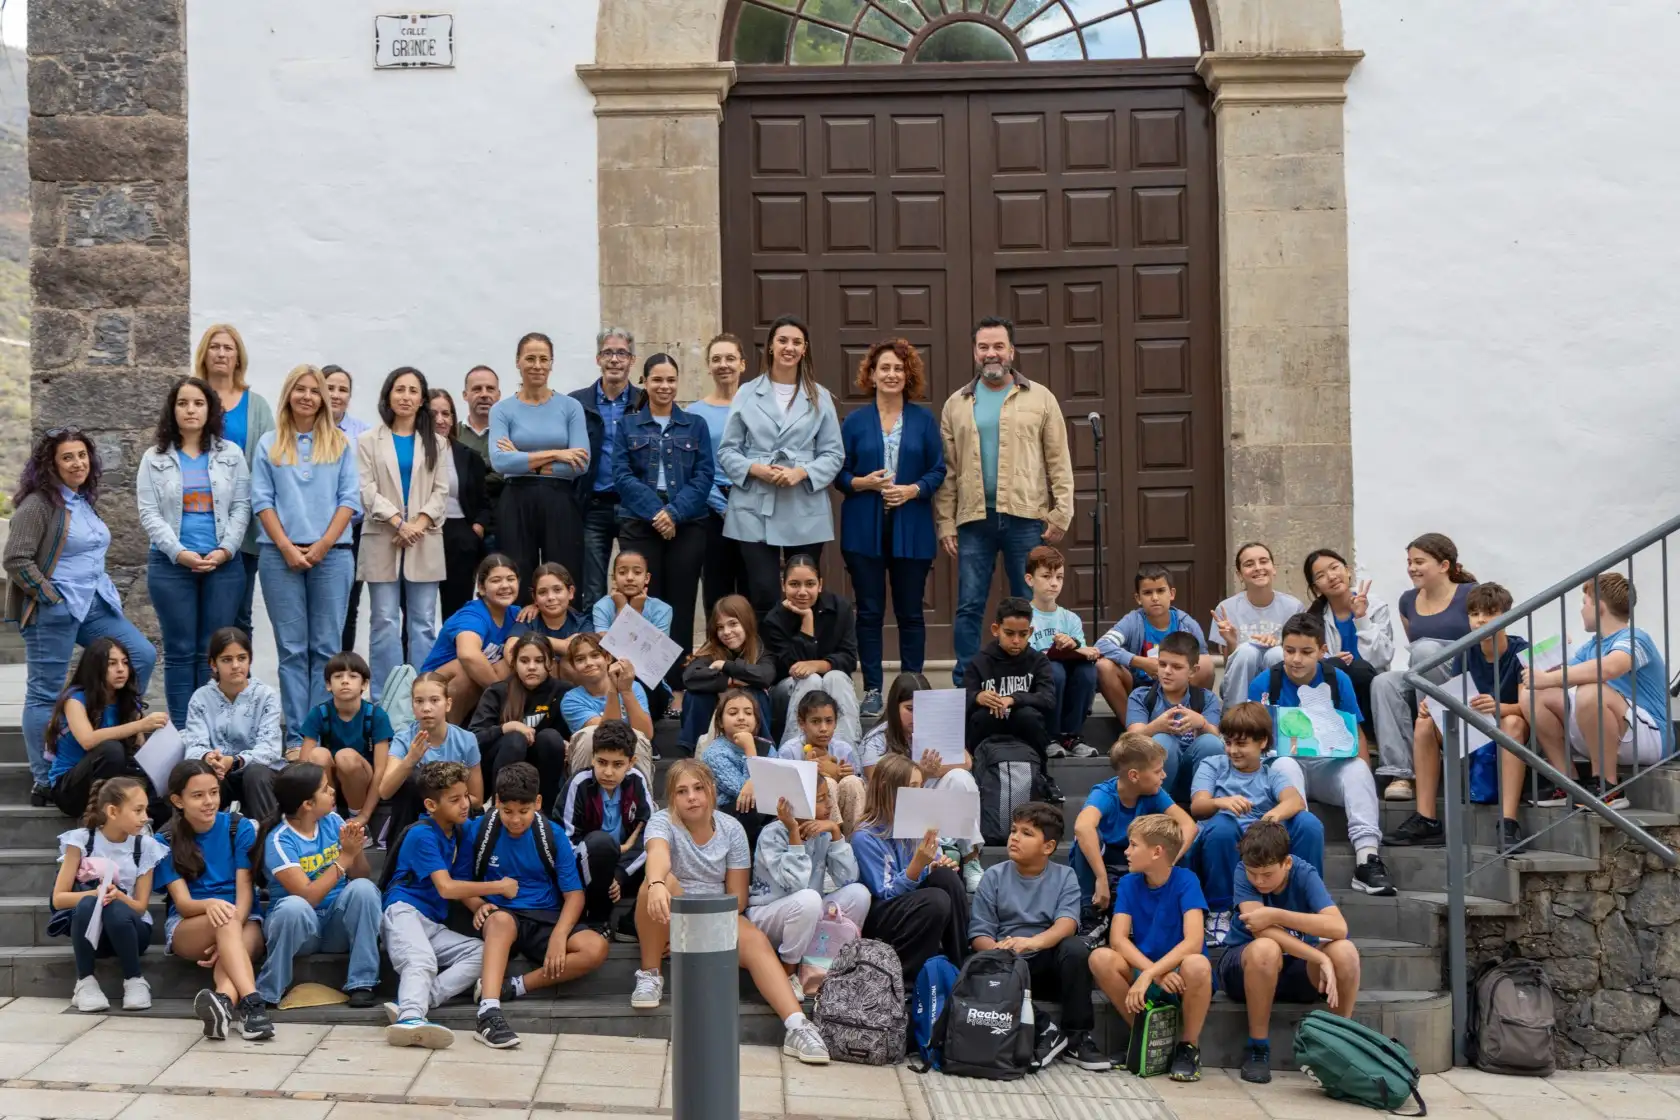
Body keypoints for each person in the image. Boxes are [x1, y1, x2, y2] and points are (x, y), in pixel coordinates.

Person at [631, 760, 833, 1064]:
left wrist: (698, 923)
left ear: (711, 790)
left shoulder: (731, 829)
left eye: (699, 788)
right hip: (670, 913)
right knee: (654, 884)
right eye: (682, 791)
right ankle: (650, 973)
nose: (692, 797)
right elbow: (658, 853)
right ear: (672, 798)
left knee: (754, 941)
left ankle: (796, 1026)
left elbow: (737, 900)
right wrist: (659, 882)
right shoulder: (662, 822)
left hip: (716, 914)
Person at [8, 427, 158, 805]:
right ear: (51, 464)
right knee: (45, 691)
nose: (77, 463)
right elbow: (16, 558)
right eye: (67, 457)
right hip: (54, 609)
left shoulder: (81, 500)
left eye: (81, 455)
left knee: (140, 655)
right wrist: (49, 596)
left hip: (93, 604)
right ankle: (44, 779)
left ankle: (111, 734)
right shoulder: (39, 504)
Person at [936, 317, 1074, 687]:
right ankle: (966, 681)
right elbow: (948, 470)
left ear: (1011, 351)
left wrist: (1061, 512)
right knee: (969, 605)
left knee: (1027, 604)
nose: (991, 353)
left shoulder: (1040, 398)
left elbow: (1058, 459)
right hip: (973, 519)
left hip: (1025, 517)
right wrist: (945, 521)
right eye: (984, 347)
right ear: (974, 352)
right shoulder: (956, 404)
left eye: (998, 346)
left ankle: (1029, 678)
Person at [252, 364, 362, 748]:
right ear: (288, 394)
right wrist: (286, 546)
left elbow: (349, 499)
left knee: (327, 649)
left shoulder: (340, 444)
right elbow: (262, 500)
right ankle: (298, 736)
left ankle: (320, 733)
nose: (308, 397)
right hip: (278, 556)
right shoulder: (269, 444)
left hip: (331, 556)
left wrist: (321, 546)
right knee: (292, 650)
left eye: (314, 390)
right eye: (300, 389)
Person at [837, 338, 946, 719]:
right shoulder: (853, 422)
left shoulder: (923, 420)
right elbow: (839, 471)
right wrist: (862, 483)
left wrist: (914, 490)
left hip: (911, 528)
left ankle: (913, 684)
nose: (891, 374)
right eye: (884, 368)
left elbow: (938, 469)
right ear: (871, 374)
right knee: (868, 612)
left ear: (908, 374)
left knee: (910, 612)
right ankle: (871, 689)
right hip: (862, 528)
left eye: (899, 368)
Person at [464, 762, 610, 1044]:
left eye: (523, 811)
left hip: (545, 916)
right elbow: (461, 883)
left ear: (538, 803)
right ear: (496, 803)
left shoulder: (551, 834)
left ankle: (515, 987)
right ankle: (488, 1012)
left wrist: (559, 935)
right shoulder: (480, 831)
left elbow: (574, 894)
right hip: (502, 916)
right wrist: (475, 904)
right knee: (499, 921)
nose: (515, 819)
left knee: (596, 948)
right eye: (507, 811)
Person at [1250, 613, 1393, 896]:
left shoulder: (1337, 680)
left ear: (1322, 651)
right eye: (1289, 651)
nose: (1296, 659)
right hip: (1284, 774)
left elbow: (1356, 732)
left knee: (1359, 769)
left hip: (1329, 767)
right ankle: (1295, 850)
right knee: (1286, 764)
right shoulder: (1264, 683)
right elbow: (1253, 739)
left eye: (1306, 652)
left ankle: (1367, 859)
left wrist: (1362, 780)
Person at [137, 376, 251, 728]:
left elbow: (242, 507)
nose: (191, 410)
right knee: (179, 651)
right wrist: (179, 552)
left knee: (211, 651)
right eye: (183, 403)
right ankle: (185, 732)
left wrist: (225, 549)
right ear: (173, 410)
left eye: (198, 403)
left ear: (210, 409)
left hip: (223, 565)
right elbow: (149, 513)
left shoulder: (230, 454)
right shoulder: (154, 458)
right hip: (171, 566)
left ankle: (212, 728)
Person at [717, 315, 844, 617]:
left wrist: (801, 472)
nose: (789, 347)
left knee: (803, 591)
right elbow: (727, 451)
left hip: (803, 503)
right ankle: (765, 660)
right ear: (771, 347)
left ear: (805, 349)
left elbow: (834, 454)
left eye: (796, 342)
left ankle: (799, 656)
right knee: (762, 590)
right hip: (754, 504)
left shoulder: (820, 396)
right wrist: (756, 470)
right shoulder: (746, 393)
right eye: (782, 340)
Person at [1219, 819, 1362, 1085]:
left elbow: (1338, 927)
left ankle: (1341, 1044)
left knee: (1345, 951)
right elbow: (1260, 930)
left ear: (1286, 863)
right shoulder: (1242, 870)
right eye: (1254, 874)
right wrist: (1319, 956)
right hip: (1244, 966)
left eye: (1268, 874)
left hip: (1297, 966)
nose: (1259, 882)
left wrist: (1276, 914)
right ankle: (1258, 1047)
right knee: (1266, 948)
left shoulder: (1304, 872)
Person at [1516, 573, 1671, 818]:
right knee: (1533, 693)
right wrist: (1551, 661)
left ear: (1598, 607)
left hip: (1651, 738)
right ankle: (1568, 783)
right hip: (1610, 731)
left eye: (1584, 603)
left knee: (1591, 689)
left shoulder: (1635, 638)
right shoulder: (1592, 645)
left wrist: (1552, 677)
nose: (1581, 610)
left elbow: (1610, 667)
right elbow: (1561, 680)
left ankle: (1608, 787)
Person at [1387, 583, 1530, 849]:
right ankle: (1426, 818)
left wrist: (1499, 707)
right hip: (1477, 725)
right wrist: (1433, 705)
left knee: (1511, 722)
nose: (1481, 620)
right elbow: (1457, 697)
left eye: (1490, 613)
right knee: (1424, 723)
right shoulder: (1465, 651)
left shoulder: (1520, 650)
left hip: (1511, 727)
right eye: (1474, 613)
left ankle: (1508, 822)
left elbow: (1529, 708)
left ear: (1507, 615)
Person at [970, 802, 1107, 1071]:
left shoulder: (1065, 875)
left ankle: (1078, 1039)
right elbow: (979, 933)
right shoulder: (993, 877)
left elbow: (1067, 923)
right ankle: (1046, 1027)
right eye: (1013, 830)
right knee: (975, 965)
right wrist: (1001, 951)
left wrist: (1032, 943)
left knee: (1075, 949)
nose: (1015, 838)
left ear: (1048, 847)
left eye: (1027, 833)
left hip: (1045, 962)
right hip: (1007, 965)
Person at [377, 759, 500, 1048]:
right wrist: (498, 887)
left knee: (482, 952)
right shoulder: (422, 834)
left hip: (431, 922)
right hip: (403, 911)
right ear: (432, 805)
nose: (464, 804)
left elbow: (460, 881)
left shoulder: (460, 833)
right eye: (454, 800)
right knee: (421, 960)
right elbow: (446, 888)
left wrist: (477, 905)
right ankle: (410, 1021)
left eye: (466, 796)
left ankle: (416, 1002)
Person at [614, 352, 714, 701]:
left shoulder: (695, 425)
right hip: (640, 524)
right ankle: (644, 686)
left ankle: (678, 685)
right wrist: (659, 513)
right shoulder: (627, 425)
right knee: (642, 603)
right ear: (644, 381)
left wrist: (674, 513)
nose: (664, 386)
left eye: (671, 380)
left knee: (681, 605)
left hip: (687, 524)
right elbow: (621, 475)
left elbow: (704, 476)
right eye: (657, 379)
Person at [1089, 813, 1212, 1083]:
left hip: (1180, 977)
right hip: (1149, 971)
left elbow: (1194, 941)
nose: (1126, 851)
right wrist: (1152, 973)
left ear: (1157, 852)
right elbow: (1118, 939)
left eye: (1133, 845)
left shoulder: (1186, 880)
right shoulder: (1129, 883)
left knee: (1198, 963)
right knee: (1100, 957)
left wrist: (1151, 973)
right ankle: (1145, 1038)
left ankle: (1188, 1047)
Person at [156, 759, 272, 1041]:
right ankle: (254, 1006)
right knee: (225, 918)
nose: (209, 801)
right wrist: (211, 907)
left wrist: (227, 937)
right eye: (197, 796)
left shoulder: (238, 827)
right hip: (191, 924)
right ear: (178, 800)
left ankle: (222, 1004)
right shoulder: (164, 839)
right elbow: (182, 903)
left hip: (244, 918)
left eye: (214, 792)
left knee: (230, 922)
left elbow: (245, 892)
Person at [1189, 703, 1323, 945]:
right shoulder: (1213, 765)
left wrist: (1268, 819)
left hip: (1261, 840)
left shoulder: (1270, 774)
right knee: (1222, 827)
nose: (1232, 750)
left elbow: (1294, 801)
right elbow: (1198, 806)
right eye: (1228, 743)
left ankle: (1307, 908)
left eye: (1241, 744)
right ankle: (1220, 911)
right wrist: (1222, 802)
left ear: (1262, 742)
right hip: (1222, 841)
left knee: (1308, 823)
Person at [254, 762, 381, 1007]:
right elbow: (308, 896)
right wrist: (344, 857)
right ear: (307, 805)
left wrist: (355, 850)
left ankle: (362, 981)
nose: (333, 791)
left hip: (336, 924)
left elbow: (362, 874)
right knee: (293, 906)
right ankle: (269, 991)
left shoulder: (333, 821)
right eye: (325, 789)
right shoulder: (279, 840)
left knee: (364, 890)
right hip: (301, 931)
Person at [358, 366, 450, 701]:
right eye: (400, 389)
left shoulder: (437, 443)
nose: (406, 397)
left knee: (424, 622)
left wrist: (417, 525)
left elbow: (441, 492)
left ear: (422, 399)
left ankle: (422, 698)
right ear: (388, 395)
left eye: (413, 391)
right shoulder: (368, 441)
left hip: (424, 538)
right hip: (384, 536)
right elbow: (366, 489)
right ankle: (385, 699)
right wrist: (399, 522)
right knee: (383, 620)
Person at [1372, 534, 1478, 800]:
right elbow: (1413, 646)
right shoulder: (1407, 601)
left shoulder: (1470, 594)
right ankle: (1401, 773)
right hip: (1424, 672)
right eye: (1409, 562)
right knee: (1384, 682)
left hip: (1465, 674)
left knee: (1425, 650)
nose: (1411, 568)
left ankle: (1430, 739)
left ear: (1444, 565)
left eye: (1419, 561)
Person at [851, 754, 971, 985]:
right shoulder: (864, 836)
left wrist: (935, 865)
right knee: (935, 900)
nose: (920, 794)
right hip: (882, 914)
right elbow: (885, 892)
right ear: (890, 790)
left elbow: (929, 869)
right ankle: (904, 977)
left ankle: (960, 965)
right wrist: (917, 866)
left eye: (921, 786)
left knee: (946, 878)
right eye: (914, 787)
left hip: (911, 903)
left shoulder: (915, 822)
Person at [747, 776, 870, 1001]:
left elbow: (848, 878)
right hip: (769, 916)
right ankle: (788, 973)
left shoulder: (822, 831)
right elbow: (795, 885)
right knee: (809, 899)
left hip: (807, 913)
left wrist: (835, 833)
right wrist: (794, 832)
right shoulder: (772, 834)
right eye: (821, 799)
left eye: (827, 798)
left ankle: (826, 965)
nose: (830, 805)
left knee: (859, 894)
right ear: (796, 805)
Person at [51, 777, 166, 1012]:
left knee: (114, 908)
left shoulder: (144, 846)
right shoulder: (82, 840)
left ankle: (134, 979)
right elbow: (59, 898)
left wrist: (118, 896)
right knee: (87, 904)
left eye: (146, 809)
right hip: (92, 933)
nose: (145, 817)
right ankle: (85, 982)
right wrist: (96, 893)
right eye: (138, 810)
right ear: (113, 811)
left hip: (132, 931)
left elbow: (141, 907)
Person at [489, 332, 590, 596]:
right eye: (530, 358)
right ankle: (519, 634)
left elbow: (580, 463)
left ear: (551, 363)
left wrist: (522, 458)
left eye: (543, 359)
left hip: (560, 499)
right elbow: (500, 461)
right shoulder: (502, 410)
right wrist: (557, 453)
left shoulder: (571, 407)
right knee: (516, 573)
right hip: (516, 498)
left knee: (563, 573)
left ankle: (566, 634)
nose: (537, 365)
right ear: (518, 362)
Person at [193, 325, 275, 637]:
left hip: (243, 528)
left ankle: (238, 685)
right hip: (195, 522)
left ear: (238, 357)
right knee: (198, 616)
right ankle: (203, 686)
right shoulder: (190, 398)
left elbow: (268, 464)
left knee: (238, 617)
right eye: (215, 347)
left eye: (229, 348)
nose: (222, 353)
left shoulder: (257, 406)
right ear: (205, 353)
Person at [1070, 733, 1197, 921]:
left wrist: (1169, 861)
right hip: (1107, 856)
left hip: (1140, 853)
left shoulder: (1154, 793)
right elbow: (1082, 827)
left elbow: (1188, 825)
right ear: (1134, 776)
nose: (1164, 775)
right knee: (1086, 839)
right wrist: (1101, 878)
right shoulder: (1104, 793)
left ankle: (1176, 907)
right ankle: (1089, 910)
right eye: (1157, 771)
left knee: (1176, 841)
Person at [44, 638, 167, 824]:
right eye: (112, 663)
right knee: (111, 750)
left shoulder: (126, 700)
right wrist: (141, 725)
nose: (121, 669)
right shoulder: (75, 700)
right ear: (95, 668)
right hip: (71, 788)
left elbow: (138, 749)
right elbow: (88, 740)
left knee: (157, 785)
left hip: (115, 778)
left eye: (125, 663)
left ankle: (149, 835)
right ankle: (94, 821)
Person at [571, 327, 646, 615]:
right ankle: (594, 655)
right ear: (598, 359)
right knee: (592, 588)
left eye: (622, 353)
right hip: (593, 506)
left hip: (633, 507)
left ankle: (631, 654)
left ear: (632, 359)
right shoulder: (577, 403)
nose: (615, 359)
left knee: (634, 585)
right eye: (608, 353)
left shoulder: (645, 402)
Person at [559, 720, 655, 935]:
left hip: (626, 867)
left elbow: (648, 834)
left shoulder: (637, 782)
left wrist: (620, 874)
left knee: (665, 852)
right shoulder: (579, 783)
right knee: (602, 844)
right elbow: (566, 837)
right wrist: (604, 871)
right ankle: (597, 919)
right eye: (601, 762)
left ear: (631, 762)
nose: (608, 772)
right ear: (592, 757)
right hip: (588, 863)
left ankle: (632, 921)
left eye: (617, 764)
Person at [182, 628, 285, 821]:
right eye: (226, 659)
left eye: (242, 658)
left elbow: (270, 750)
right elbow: (194, 747)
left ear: (250, 660)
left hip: (260, 773)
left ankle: (268, 840)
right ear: (213, 664)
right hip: (219, 773)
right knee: (203, 777)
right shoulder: (201, 698)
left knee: (256, 775)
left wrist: (236, 761)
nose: (236, 665)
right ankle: (195, 841)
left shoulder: (266, 695)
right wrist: (209, 757)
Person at [762, 554, 860, 748]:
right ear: (784, 585)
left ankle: (848, 755)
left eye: (809, 584)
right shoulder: (774, 619)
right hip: (786, 691)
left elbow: (849, 658)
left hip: (831, 685)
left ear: (820, 585)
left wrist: (817, 665)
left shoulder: (840, 608)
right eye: (794, 584)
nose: (802, 592)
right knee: (810, 679)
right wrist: (807, 622)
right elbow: (789, 666)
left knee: (836, 678)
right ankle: (795, 753)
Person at [1303, 547, 1394, 748]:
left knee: (1359, 670)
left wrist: (1361, 618)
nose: (1331, 577)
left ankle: (1370, 738)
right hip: (1332, 690)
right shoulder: (1314, 619)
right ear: (1316, 587)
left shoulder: (1375, 606)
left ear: (1348, 570)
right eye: (1321, 575)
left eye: (1335, 568)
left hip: (1371, 689)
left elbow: (1381, 659)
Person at [380, 672, 486, 840]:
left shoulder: (466, 740)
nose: (426, 708)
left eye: (435, 700)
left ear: (448, 704)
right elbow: (385, 792)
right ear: (412, 706)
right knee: (410, 780)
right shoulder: (404, 739)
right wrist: (410, 760)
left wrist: (443, 806)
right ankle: (398, 858)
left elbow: (477, 799)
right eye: (419, 701)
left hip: (454, 812)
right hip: (417, 814)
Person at [1096, 565, 1213, 716]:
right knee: (1104, 666)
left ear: (1171, 594)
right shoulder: (1133, 621)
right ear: (1138, 598)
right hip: (1139, 688)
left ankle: (1183, 719)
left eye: (1160, 591)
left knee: (1205, 664)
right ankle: (1135, 728)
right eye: (1147, 593)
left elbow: (1202, 662)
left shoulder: (1186, 624)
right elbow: (1102, 645)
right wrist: (1140, 662)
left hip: (1177, 688)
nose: (1155, 598)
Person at [469, 633, 568, 809]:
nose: (531, 667)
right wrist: (506, 728)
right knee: (515, 738)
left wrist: (568, 742)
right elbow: (472, 740)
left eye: (539, 661)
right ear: (513, 663)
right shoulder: (498, 692)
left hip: (542, 766)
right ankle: (499, 807)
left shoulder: (563, 692)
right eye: (524, 661)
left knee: (551, 738)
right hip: (501, 764)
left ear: (551, 663)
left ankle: (545, 810)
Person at [421, 553, 522, 724]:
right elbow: (468, 655)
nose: (505, 586)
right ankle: (447, 736)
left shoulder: (516, 613)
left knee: (513, 660)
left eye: (510, 579)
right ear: (481, 588)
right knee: (467, 667)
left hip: (478, 691)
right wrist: (504, 696)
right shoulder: (472, 615)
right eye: (496, 580)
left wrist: (537, 609)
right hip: (433, 689)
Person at [1125, 632, 1225, 804]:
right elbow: (1131, 740)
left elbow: (1217, 740)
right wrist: (1156, 726)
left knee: (1210, 742)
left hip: (1192, 777)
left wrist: (1201, 723)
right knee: (1163, 741)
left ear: (1193, 671)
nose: (1167, 672)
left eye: (1177, 667)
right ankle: (1155, 807)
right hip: (1153, 778)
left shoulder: (1206, 699)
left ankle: (1204, 805)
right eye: (1162, 664)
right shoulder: (1142, 696)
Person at [298, 652, 392, 829]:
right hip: (329, 783)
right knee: (318, 754)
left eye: (353, 676)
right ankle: (329, 816)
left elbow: (381, 771)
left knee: (345, 756)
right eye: (338, 676)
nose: (345, 681)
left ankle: (355, 818)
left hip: (363, 784)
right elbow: (303, 766)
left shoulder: (376, 715)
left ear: (364, 684)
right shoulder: (319, 713)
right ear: (328, 685)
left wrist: (364, 816)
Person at [688, 333, 748, 611]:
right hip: (710, 510)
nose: (724, 365)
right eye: (716, 359)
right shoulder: (694, 413)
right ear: (708, 366)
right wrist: (722, 506)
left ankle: (753, 651)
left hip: (753, 503)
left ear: (742, 364)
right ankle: (719, 651)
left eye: (730, 358)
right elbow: (694, 467)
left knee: (753, 583)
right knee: (716, 585)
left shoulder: (759, 407)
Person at [1024, 545, 1099, 758]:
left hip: (1067, 677)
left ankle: (1072, 735)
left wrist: (1074, 645)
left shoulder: (1070, 619)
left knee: (1088, 672)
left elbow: (1083, 653)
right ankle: (1049, 736)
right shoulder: (1024, 615)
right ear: (1030, 580)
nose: (1054, 583)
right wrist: (1050, 651)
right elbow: (1021, 655)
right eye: (1046, 576)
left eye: (1059, 577)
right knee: (1054, 670)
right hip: (1039, 680)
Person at [427, 388, 494, 620]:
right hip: (421, 535)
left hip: (460, 537)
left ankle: (456, 655)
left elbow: (483, 503)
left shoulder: (468, 456)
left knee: (456, 610)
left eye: (446, 414)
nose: (440, 420)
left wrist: (476, 529)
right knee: (418, 610)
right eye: (433, 413)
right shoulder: (412, 452)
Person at [1212, 542, 1304, 711]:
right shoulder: (1226, 609)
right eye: (1249, 564)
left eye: (1263, 561)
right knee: (1247, 651)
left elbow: (1300, 655)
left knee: (1276, 654)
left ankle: (1283, 717)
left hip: (1281, 676)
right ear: (1240, 574)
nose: (1258, 568)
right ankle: (1235, 722)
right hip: (1238, 686)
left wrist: (1278, 644)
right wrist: (1232, 642)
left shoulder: (1293, 607)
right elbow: (1229, 665)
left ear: (1273, 568)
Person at [964, 597, 1056, 765]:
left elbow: (1048, 699)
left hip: (1025, 726)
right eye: (1009, 633)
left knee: (1029, 716)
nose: (1016, 640)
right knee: (981, 717)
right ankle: (975, 771)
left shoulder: (1038, 661)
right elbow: (963, 697)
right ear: (995, 629)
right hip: (989, 727)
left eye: (1023, 634)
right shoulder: (979, 661)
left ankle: (1041, 775)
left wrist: (1014, 699)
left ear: (1030, 631)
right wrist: (978, 697)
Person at [680, 594, 774, 755]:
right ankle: (694, 752)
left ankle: (762, 750)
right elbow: (690, 676)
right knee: (696, 695)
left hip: (748, 722)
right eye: (720, 627)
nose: (726, 632)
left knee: (753, 694)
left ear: (746, 623)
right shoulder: (713, 649)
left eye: (733, 624)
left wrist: (725, 665)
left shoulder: (760, 650)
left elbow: (765, 676)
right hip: (712, 715)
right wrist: (730, 680)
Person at [323, 366, 372, 653]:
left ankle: (343, 671)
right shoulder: (300, 430)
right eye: (330, 387)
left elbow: (366, 481)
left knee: (348, 607)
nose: (336, 395)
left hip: (353, 532)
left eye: (343, 390)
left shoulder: (362, 434)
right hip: (310, 532)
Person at [560, 633, 655, 775]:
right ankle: (583, 794)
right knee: (588, 735)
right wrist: (613, 690)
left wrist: (626, 691)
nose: (589, 663)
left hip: (629, 762)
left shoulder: (633, 687)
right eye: (580, 659)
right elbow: (607, 734)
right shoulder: (571, 699)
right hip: (594, 763)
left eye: (595, 655)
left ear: (608, 658)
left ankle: (640, 795)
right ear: (574, 667)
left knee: (638, 737)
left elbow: (646, 734)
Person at [777, 690, 866, 836]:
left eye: (829, 721)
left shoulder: (844, 749)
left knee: (853, 782)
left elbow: (857, 788)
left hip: (845, 814)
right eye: (815, 721)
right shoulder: (789, 751)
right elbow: (782, 794)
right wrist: (807, 773)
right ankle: (829, 840)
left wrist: (847, 774)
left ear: (836, 723)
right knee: (827, 783)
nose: (823, 728)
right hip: (806, 820)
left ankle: (854, 840)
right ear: (802, 723)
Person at [700, 688, 776, 850]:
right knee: (753, 806)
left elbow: (777, 781)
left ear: (756, 720)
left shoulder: (766, 746)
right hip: (732, 813)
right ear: (720, 721)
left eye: (748, 713)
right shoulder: (714, 753)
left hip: (766, 809)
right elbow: (745, 793)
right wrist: (750, 750)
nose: (741, 718)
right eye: (733, 713)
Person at [453, 365, 503, 517]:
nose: (484, 394)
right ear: (465, 395)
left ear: (498, 394)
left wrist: (467, 477)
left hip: (500, 521)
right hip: (462, 521)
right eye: (477, 389)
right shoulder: (451, 435)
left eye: (490, 389)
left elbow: (506, 476)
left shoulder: (510, 434)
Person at [519, 562, 588, 664]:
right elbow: (510, 648)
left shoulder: (583, 622)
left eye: (557, 590)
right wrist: (563, 645)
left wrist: (531, 641)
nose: (551, 597)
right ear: (534, 597)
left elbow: (587, 654)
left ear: (571, 592)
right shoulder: (528, 619)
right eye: (542, 592)